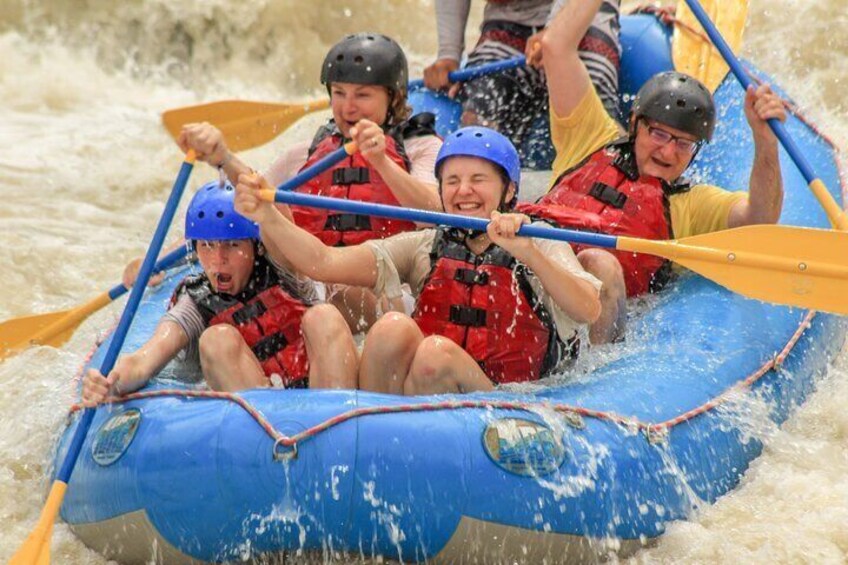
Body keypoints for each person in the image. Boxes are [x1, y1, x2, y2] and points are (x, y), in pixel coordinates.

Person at [235, 127, 602, 395]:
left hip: (509, 405)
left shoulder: (536, 240)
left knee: (435, 354)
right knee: (393, 326)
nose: (464, 191)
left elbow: (588, 309)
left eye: (479, 179)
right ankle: (368, 439)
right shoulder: (425, 246)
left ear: (508, 190)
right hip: (425, 405)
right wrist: (267, 216)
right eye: (452, 181)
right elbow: (323, 262)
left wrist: (530, 254)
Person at [518, 0, 787, 344]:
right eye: (658, 134)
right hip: (528, 266)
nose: (667, 151)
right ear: (635, 124)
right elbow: (556, 47)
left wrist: (765, 141)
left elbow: (760, 220)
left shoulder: (690, 206)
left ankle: (594, 384)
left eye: (684, 143)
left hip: (582, 313)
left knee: (602, 263)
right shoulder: (590, 137)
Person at [152, 33, 443, 331]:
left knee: (345, 295)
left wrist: (381, 161)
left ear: (393, 97)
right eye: (340, 93)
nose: (348, 108)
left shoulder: (420, 147)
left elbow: (435, 211)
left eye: (363, 95)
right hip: (312, 285)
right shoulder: (306, 153)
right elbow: (251, 197)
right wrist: (159, 262)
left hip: (386, 287)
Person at [82, 182, 357, 406]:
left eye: (232, 245)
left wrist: (232, 166)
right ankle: (279, 446)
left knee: (323, 315)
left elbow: (280, 219)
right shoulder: (195, 303)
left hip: (324, 398)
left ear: (255, 246)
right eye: (207, 246)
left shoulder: (284, 270)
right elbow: (146, 358)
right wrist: (112, 381)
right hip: (269, 426)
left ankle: (339, 427)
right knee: (216, 339)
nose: (217, 260)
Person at [423, 0, 621, 167]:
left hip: (586, 12)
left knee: (594, 102)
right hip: (511, 14)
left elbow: (557, 43)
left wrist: (554, 31)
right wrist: (448, 53)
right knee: (480, 106)